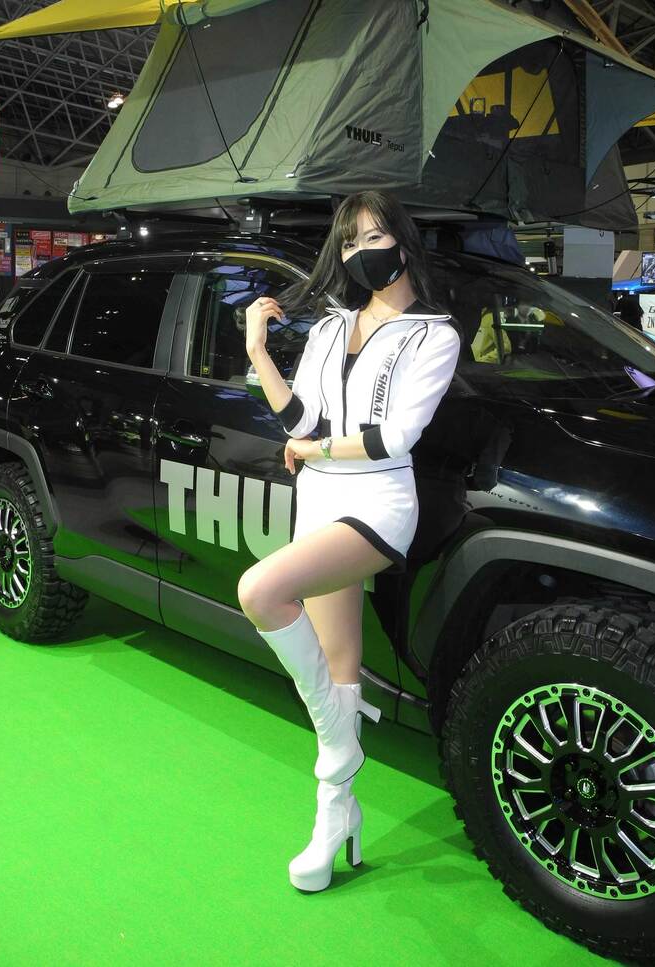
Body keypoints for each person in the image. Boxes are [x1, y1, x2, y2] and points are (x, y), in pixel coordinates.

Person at [237, 190, 461, 893]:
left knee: (261, 590)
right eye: (348, 242)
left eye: (372, 237)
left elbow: (394, 437)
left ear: (402, 241)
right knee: (339, 666)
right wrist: (257, 351)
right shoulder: (332, 326)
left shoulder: (434, 335)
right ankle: (336, 816)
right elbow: (301, 419)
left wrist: (316, 450)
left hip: (377, 503)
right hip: (319, 497)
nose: (359, 252)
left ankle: (339, 752)